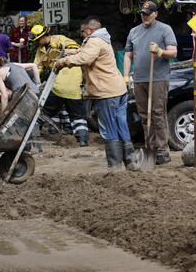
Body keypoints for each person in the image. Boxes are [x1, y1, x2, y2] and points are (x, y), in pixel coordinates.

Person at [56, 17, 137, 171]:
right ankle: (131, 161)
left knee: (109, 128)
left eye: (83, 32)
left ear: (90, 30)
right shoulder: (103, 39)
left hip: (106, 92)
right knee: (121, 125)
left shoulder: (93, 41)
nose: (81, 35)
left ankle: (115, 165)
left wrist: (62, 62)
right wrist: (68, 52)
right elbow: (84, 51)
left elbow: (85, 57)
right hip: (118, 89)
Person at [123, 1, 177, 165]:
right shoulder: (134, 31)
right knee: (144, 115)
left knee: (158, 113)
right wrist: (125, 76)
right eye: (142, 13)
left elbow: (173, 52)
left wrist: (160, 51)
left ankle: (162, 151)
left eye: (148, 13)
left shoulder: (164, 29)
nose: (144, 16)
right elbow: (128, 55)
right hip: (139, 79)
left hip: (158, 78)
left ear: (155, 14)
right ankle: (150, 148)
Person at [30, 24, 89, 147]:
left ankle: (32, 131)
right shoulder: (40, 51)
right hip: (62, 81)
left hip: (70, 74)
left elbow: (75, 48)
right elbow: (37, 67)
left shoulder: (60, 39)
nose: (37, 43)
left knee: (45, 110)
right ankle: (82, 139)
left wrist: (61, 48)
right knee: (77, 113)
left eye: (38, 40)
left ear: (45, 36)